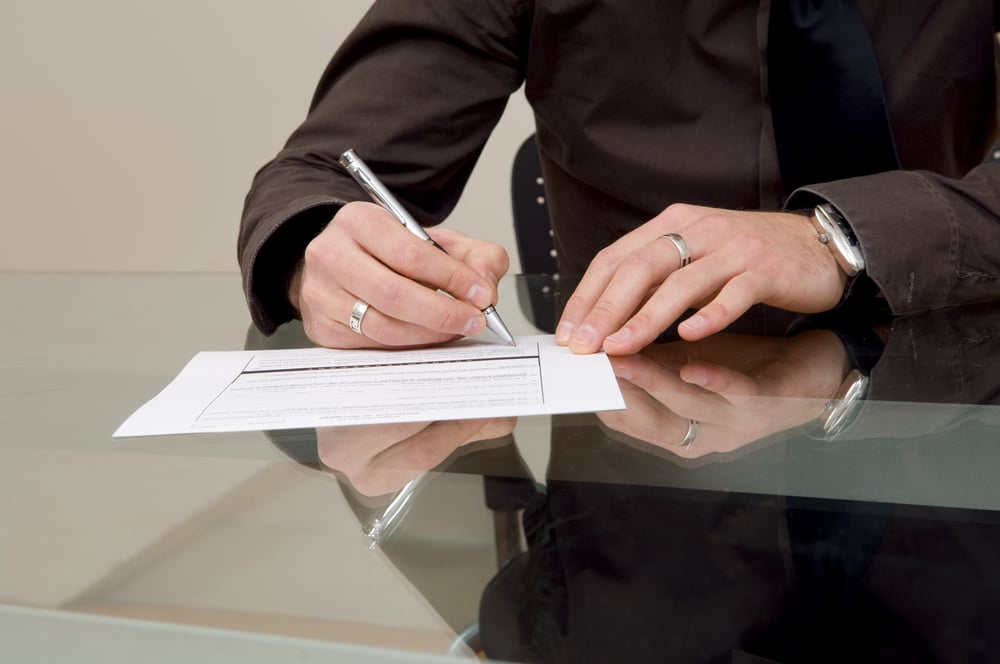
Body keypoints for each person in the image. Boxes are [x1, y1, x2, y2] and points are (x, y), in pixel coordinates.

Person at [239, 1, 1000, 355]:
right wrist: (320, 252)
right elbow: (319, 174)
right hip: (635, 513)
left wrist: (838, 239)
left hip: (953, 431)